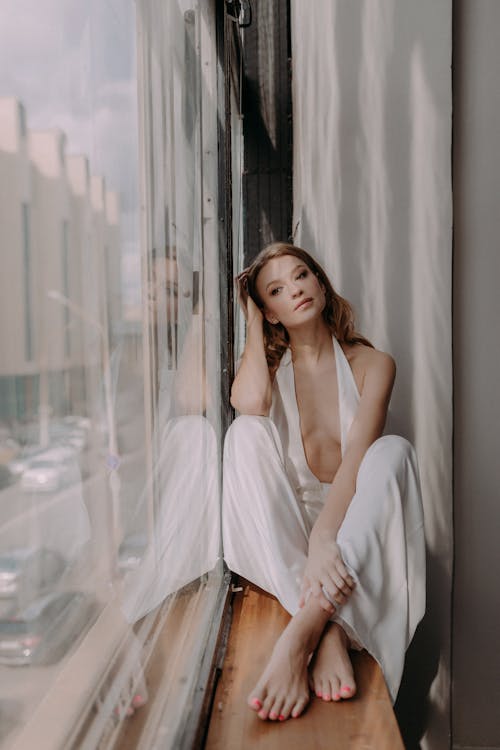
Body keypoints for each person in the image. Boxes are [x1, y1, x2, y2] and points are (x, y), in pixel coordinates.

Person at [222, 242, 425, 722]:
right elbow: (248, 403)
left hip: (352, 527)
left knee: (392, 452)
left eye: (301, 276)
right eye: (276, 290)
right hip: (290, 536)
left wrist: (325, 537)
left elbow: (356, 462)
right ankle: (332, 627)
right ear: (269, 311)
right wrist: (251, 318)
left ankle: (305, 632)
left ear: (319, 282)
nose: (295, 290)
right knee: (245, 432)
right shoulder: (270, 373)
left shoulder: (374, 365)